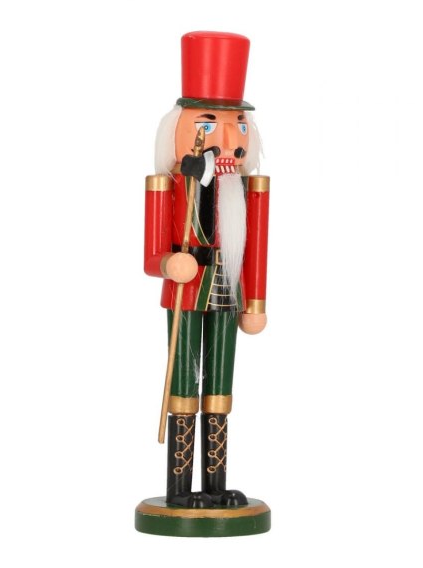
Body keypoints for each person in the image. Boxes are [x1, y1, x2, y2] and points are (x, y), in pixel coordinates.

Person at [144, 31, 270, 511]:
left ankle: (216, 485)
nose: (227, 142)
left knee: (219, 386)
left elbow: (256, 251)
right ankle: (180, 488)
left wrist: (255, 303)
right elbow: (152, 253)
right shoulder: (166, 186)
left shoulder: (250, 190)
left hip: (228, 293)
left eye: (239, 126)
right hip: (185, 292)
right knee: (183, 384)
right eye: (208, 124)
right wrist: (167, 262)